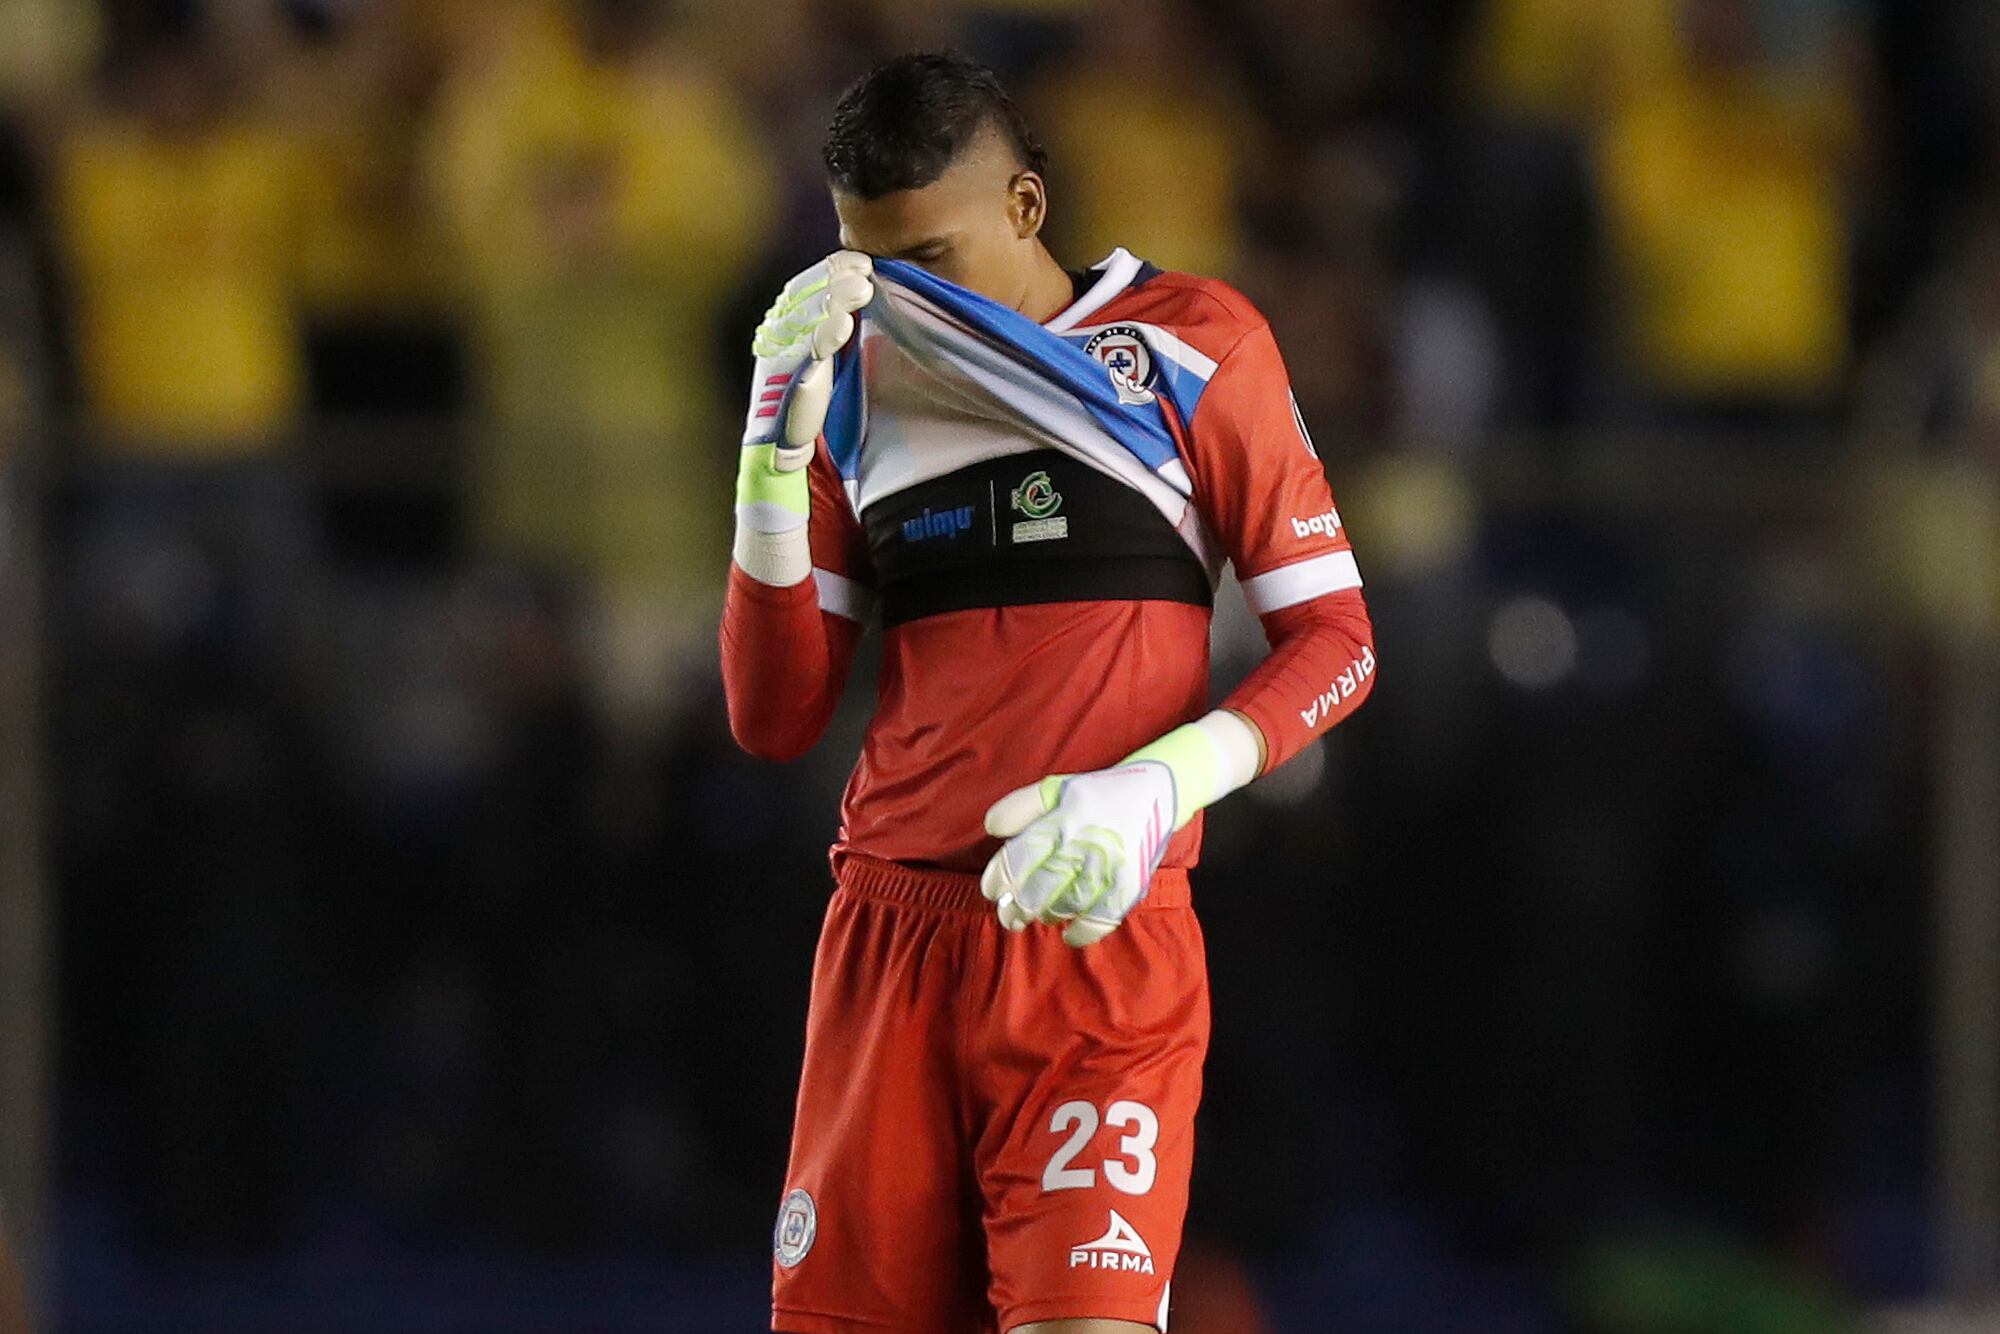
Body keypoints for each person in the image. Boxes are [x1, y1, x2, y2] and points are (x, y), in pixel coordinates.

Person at [720, 53, 1377, 1334]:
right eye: (873, 263)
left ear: (1026, 207)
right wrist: (765, 468)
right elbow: (773, 713)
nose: (902, 296)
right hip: (887, 940)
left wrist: (1157, 787)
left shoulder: (1190, 346)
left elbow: (1338, 637)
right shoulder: (853, 380)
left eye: (932, 256)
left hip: (1096, 948)